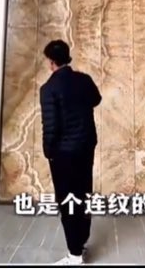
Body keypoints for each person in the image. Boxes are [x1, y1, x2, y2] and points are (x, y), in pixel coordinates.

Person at [40, 40, 101, 266]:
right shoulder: (84, 80)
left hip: (63, 154)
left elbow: (50, 126)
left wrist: (48, 152)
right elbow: (96, 99)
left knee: (68, 201)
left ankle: (75, 254)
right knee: (83, 195)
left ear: (51, 62)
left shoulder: (48, 89)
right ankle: (81, 241)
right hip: (85, 147)